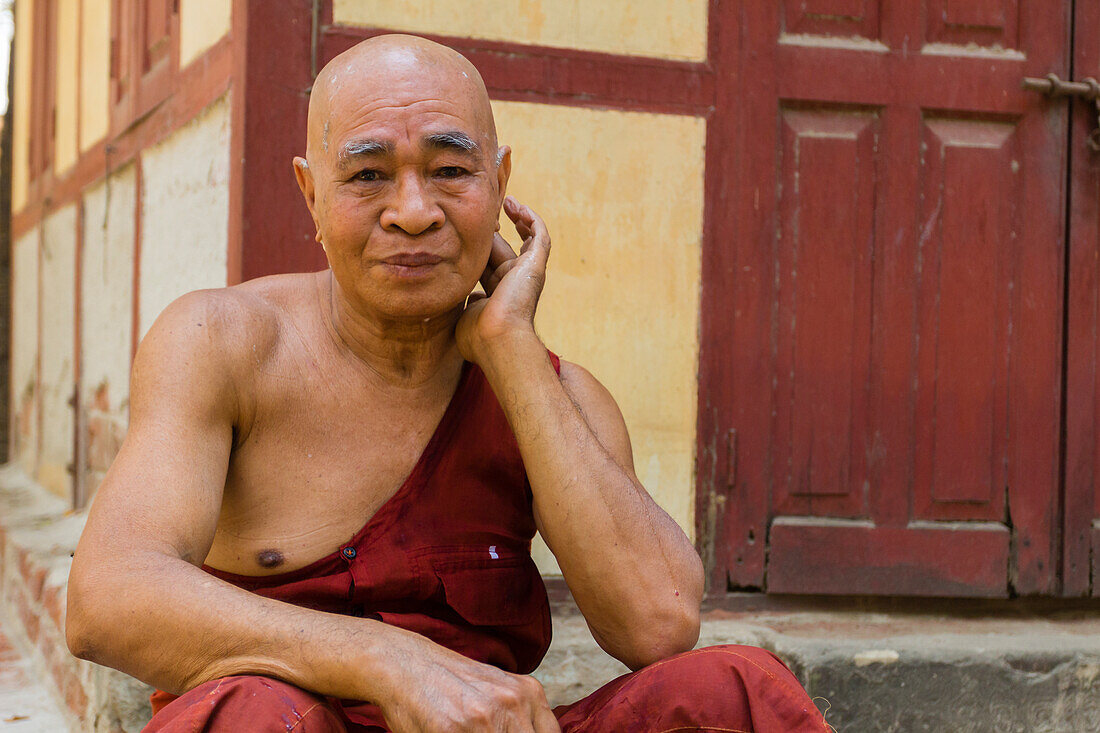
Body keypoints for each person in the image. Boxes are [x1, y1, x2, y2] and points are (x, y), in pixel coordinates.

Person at [65, 34, 828, 732]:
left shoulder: (556, 393)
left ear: (499, 185)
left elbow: (657, 624)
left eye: (451, 170)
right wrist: (381, 657)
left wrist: (512, 350)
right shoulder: (222, 342)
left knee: (735, 687)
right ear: (311, 196)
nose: (413, 211)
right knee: (249, 715)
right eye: (367, 175)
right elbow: (106, 596)